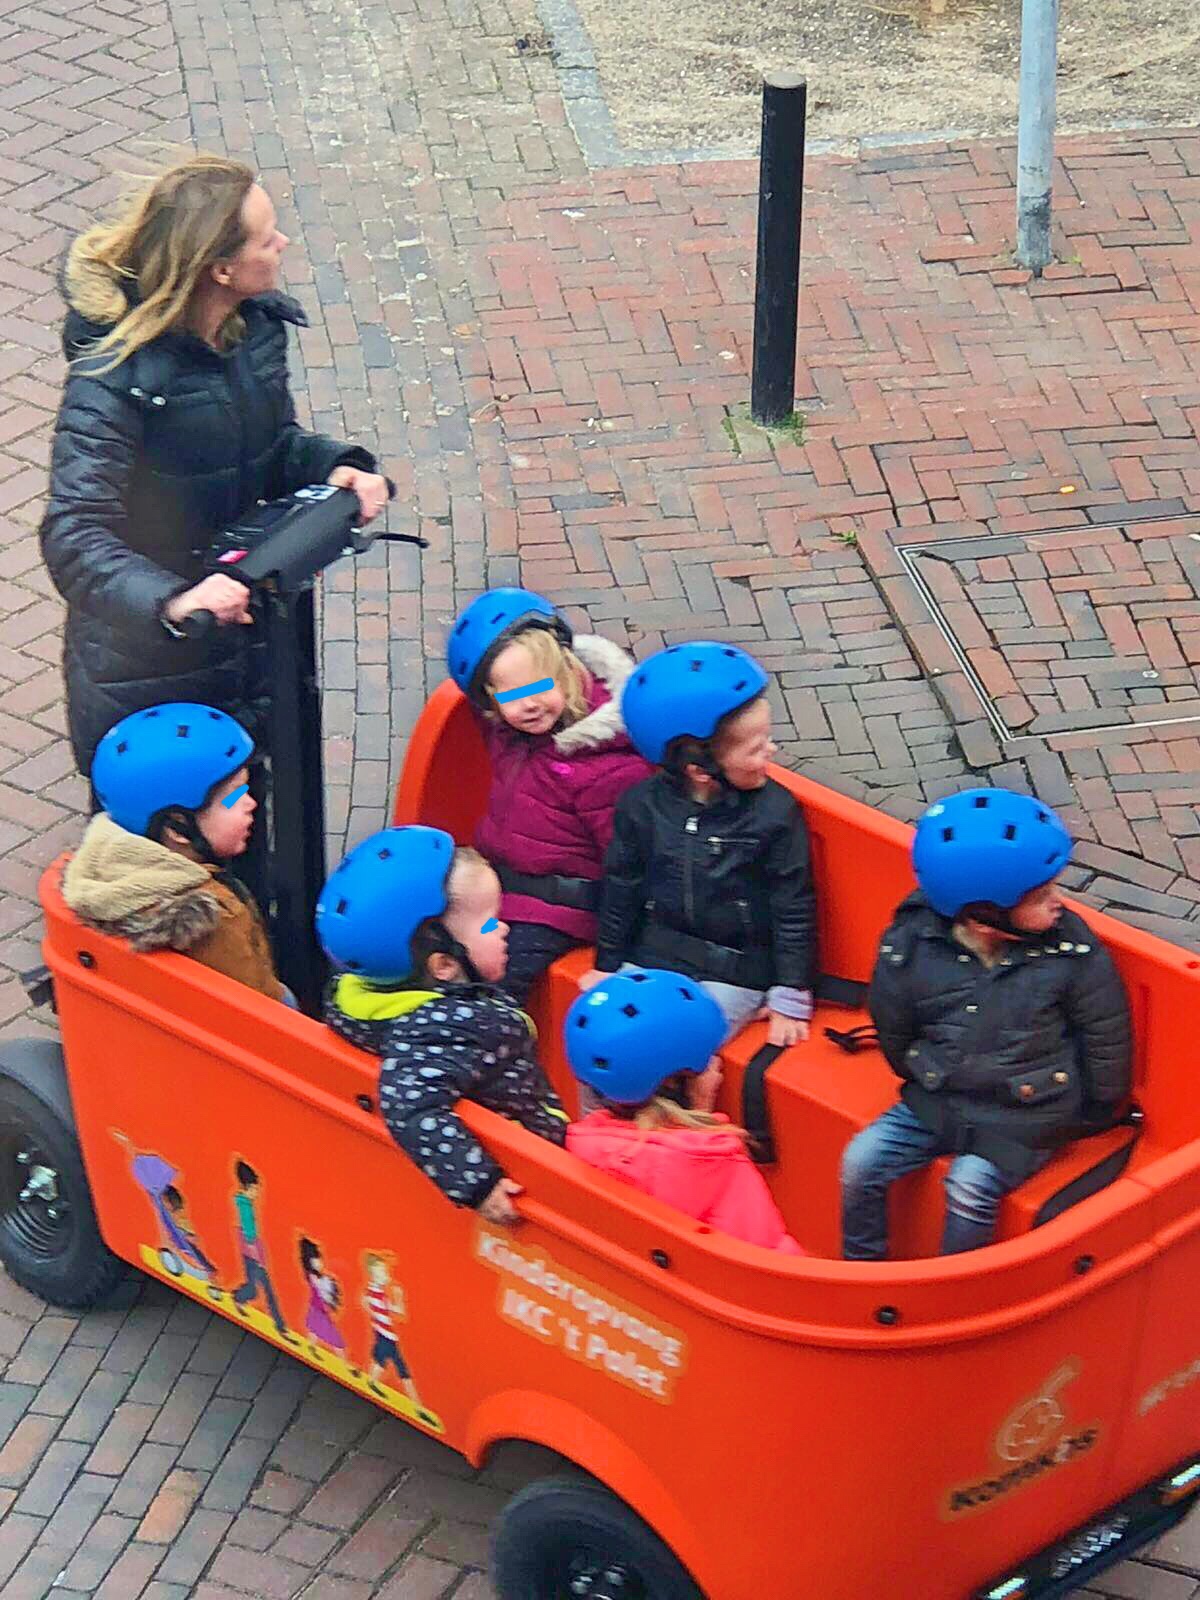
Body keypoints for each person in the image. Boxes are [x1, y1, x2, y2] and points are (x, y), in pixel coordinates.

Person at [38, 153, 391, 866]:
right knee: (163, 871)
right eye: (266, 237)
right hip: (151, 659)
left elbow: (273, 446)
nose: (283, 244)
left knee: (250, 840)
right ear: (219, 269)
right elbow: (73, 534)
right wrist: (175, 602)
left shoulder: (251, 331)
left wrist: (337, 468)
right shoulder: (112, 380)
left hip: (248, 635)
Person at [841, 788, 1132, 1261]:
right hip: (941, 1097)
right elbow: (893, 1018)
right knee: (860, 1162)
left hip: (1025, 1114)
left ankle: (947, 1293)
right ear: (984, 917)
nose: (1059, 903)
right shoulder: (912, 942)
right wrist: (919, 1069)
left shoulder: (1070, 950)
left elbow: (1106, 1031)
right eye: (1042, 896)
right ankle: (862, 1267)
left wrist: (1098, 1106)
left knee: (969, 1188)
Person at [581, 642, 818, 1105]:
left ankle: (675, 1156)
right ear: (700, 770)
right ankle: (594, 1152)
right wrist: (607, 963)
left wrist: (791, 989)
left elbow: (794, 903)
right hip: (656, 952)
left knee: (668, 1051)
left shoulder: (774, 813)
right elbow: (622, 887)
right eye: (755, 748)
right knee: (600, 1041)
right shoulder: (642, 806)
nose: (772, 750)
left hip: (734, 969)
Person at [318, 826, 568, 1227]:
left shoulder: (371, 1001)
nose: (505, 929)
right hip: (533, 1172)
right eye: (491, 924)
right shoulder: (440, 1030)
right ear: (444, 965)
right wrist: (478, 1184)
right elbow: (408, 1103)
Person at [446, 588, 652, 1008]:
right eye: (509, 695)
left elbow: (628, 863)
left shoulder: (606, 765)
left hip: (559, 908)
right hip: (503, 881)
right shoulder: (510, 731)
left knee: (500, 975)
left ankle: (487, 1048)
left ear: (566, 669)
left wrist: (617, 953)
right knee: (435, 937)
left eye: (541, 686)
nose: (529, 705)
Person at [62, 702, 289, 1003]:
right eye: (234, 797)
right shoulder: (217, 922)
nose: (251, 804)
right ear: (178, 829)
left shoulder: (97, 876)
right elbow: (263, 1007)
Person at [565, 969, 805, 1253]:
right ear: (682, 1080)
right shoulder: (718, 1163)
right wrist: (702, 1111)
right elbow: (767, 1258)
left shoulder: (579, 1145)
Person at [230, 1160, 296, 1341]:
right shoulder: (245, 1206)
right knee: (258, 1290)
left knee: (264, 1290)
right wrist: (258, 1258)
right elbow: (249, 1233)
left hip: (252, 1253)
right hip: (252, 1255)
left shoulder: (244, 1203)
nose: (257, 1193)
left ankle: (281, 1326)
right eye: (255, 1189)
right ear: (248, 1187)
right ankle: (238, 1296)